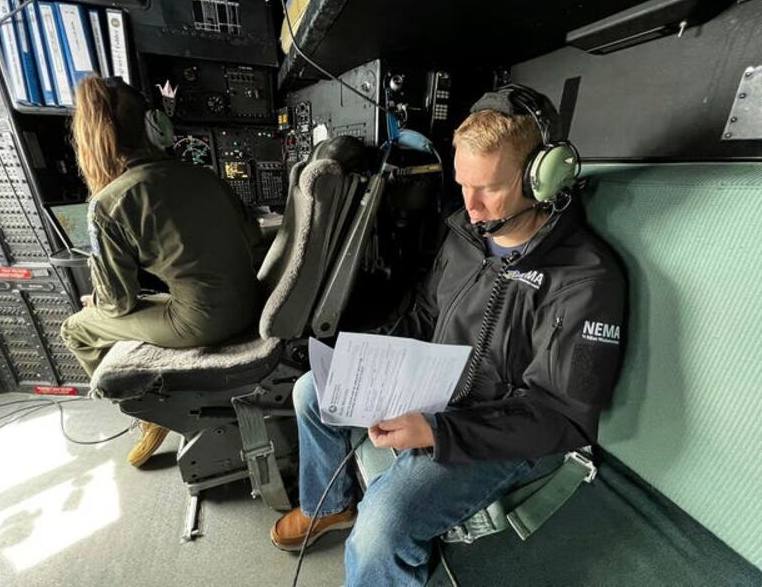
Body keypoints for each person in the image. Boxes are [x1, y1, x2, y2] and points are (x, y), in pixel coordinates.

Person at [270, 85, 627, 586]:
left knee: (384, 524)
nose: (473, 207)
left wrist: (440, 433)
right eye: (463, 186)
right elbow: (425, 313)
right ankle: (326, 505)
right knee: (312, 388)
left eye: (489, 189)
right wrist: (368, 361)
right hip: (440, 389)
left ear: (541, 179)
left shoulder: (587, 280)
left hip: (506, 429)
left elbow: (562, 418)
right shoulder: (463, 231)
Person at [60, 75, 262, 467]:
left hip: (202, 323)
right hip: (249, 302)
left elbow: (118, 304)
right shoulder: (204, 176)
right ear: (156, 126)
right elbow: (253, 240)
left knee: (78, 327)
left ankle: (149, 412)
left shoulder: (107, 204)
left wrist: (96, 303)